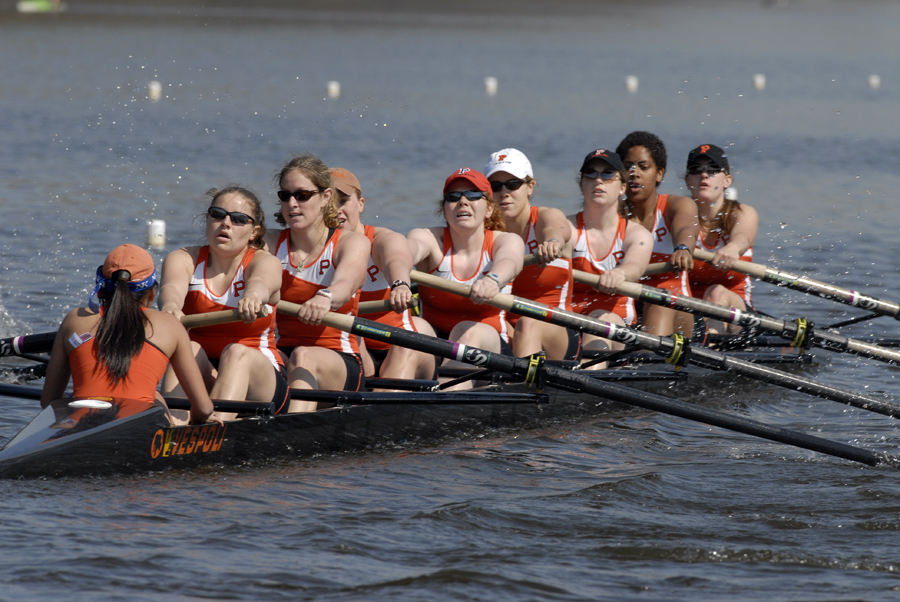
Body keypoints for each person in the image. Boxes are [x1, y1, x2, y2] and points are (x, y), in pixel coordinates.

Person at [41, 244, 219, 426]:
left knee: (74, 402)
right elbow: (204, 408)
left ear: (100, 289)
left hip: (83, 423)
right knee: (156, 396)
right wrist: (199, 420)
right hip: (143, 429)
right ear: (152, 293)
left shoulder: (75, 319)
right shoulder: (170, 325)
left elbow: (49, 401)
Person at [159, 186, 289, 415]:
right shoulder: (183, 258)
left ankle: (213, 428)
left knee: (236, 352)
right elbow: (172, 288)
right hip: (205, 371)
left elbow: (261, 282)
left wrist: (252, 297)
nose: (226, 223)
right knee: (187, 348)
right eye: (218, 214)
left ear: (253, 232)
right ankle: (172, 427)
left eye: (238, 219)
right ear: (208, 220)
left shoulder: (265, 261)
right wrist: (170, 307)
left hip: (261, 381)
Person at [263, 155, 370, 411]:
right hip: (281, 352)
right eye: (285, 195)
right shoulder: (267, 242)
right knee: (241, 355)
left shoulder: (352, 242)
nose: (292, 204)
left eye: (302, 195)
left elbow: (345, 284)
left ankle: (288, 433)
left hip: (339, 359)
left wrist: (326, 297)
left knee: (304, 355)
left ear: (325, 198)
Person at [408, 168, 524, 387]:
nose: (462, 201)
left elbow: (510, 261)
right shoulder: (429, 238)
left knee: (467, 331)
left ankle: (441, 400)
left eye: (472, 195)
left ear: (489, 208)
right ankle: (389, 397)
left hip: (490, 350)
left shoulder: (506, 241)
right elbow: (406, 251)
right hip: (436, 346)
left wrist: (492, 280)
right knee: (413, 325)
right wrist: (397, 276)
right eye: (453, 197)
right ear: (444, 210)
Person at [332, 167, 436, 382]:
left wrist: (399, 284)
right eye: (329, 202)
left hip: (398, 346)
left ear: (361, 204)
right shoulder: (313, 249)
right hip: (354, 349)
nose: (336, 210)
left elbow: (395, 258)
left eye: (343, 201)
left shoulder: (380, 239)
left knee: (403, 347)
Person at [484, 148, 579, 361]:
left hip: (557, 329)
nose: (504, 193)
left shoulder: (545, 218)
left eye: (513, 184)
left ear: (530, 187)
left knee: (528, 322)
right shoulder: (483, 233)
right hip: (507, 329)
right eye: (495, 186)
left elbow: (557, 229)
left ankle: (519, 389)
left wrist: (552, 242)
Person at [567, 149, 652, 365]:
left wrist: (619, 273)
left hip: (616, 326)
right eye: (590, 174)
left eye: (607, 174)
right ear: (581, 184)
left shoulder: (636, 234)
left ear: (622, 187)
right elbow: (556, 243)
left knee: (600, 318)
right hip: (568, 322)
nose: (598, 180)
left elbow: (635, 266)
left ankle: (585, 384)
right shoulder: (565, 227)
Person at [615, 131, 700, 337]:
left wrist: (682, 248)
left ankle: (646, 364)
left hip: (674, 306)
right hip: (628, 306)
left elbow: (686, 227)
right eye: (628, 167)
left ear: (659, 174)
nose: (634, 173)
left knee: (658, 301)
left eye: (643, 167)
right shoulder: (611, 213)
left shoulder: (675, 205)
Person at [684, 144, 759, 334]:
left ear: (727, 180)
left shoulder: (742, 213)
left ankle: (709, 348)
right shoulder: (679, 218)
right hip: (688, 310)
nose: (703, 175)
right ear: (687, 180)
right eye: (696, 170)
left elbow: (743, 237)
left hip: (739, 314)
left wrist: (733, 248)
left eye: (712, 170)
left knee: (716, 292)